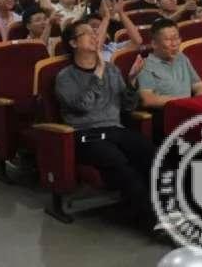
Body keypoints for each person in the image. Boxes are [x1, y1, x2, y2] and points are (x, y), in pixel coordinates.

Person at [54, 20, 163, 236]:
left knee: (150, 152)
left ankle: (169, 208)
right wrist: (98, 73)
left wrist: (131, 81)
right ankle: (152, 220)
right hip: (85, 134)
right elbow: (82, 106)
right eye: (87, 33)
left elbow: (127, 106)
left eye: (95, 32)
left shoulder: (112, 70)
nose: (94, 36)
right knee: (118, 162)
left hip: (114, 128)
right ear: (73, 43)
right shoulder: (65, 76)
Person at [136, 18, 202, 142]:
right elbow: (147, 99)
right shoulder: (146, 65)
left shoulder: (182, 58)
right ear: (154, 44)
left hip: (190, 112)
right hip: (166, 117)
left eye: (176, 38)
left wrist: (197, 104)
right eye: (168, 40)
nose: (174, 43)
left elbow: (199, 86)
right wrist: (181, 103)